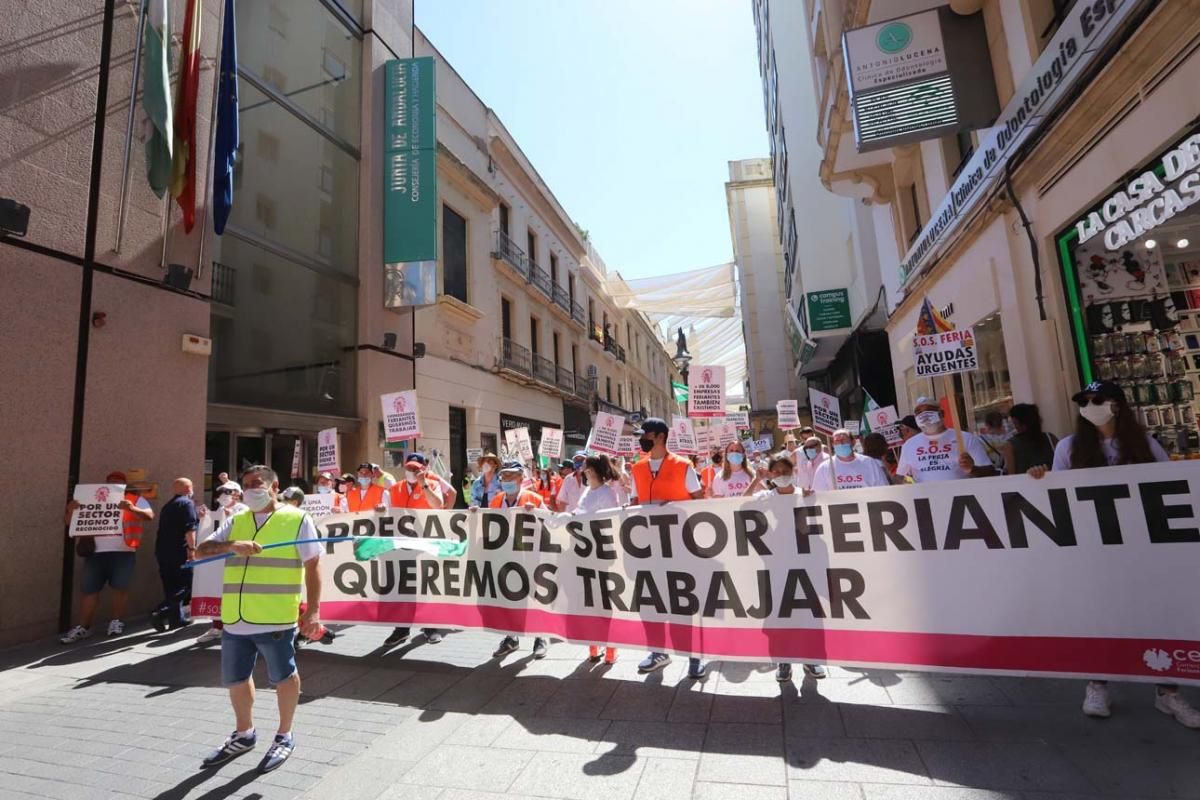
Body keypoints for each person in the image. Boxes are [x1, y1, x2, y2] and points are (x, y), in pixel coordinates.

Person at [1027, 381, 1199, 729]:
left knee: (1154, 613)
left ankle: (1166, 691)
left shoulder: (1144, 444)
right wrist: (1039, 477)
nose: (1090, 405)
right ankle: (1097, 684)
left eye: (1097, 400)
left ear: (1117, 405)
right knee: (1100, 614)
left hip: (1142, 547)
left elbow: (1170, 484)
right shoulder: (1069, 447)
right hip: (1095, 550)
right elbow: (1059, 496)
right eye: (1085, 401)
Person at [196, 465, 322, 774]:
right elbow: (201, 551)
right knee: (236, 679)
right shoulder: (237, 519)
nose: (251, 489)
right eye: (247, 484)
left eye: (257, 484)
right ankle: (244, 733)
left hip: (275, 618)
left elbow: (314, 565)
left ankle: (284, 735)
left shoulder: (297, 519)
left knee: (284, 677)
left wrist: (314, 610)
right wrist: (230, 546)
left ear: (274, 486)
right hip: (236, 619)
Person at [629, 418, 707, 679]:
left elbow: (700, 504)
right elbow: (633, 503)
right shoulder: (637, 468)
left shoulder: (683, 466)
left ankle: (695, 655)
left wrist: (673, 508)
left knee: (683, 601)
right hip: (647, 547)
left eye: (645, 435)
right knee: (650, 601)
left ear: (660, 437)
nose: (641, 439)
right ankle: (658, 651)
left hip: (679, 546)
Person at [749, 455, 828, 682]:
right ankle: (783, 660)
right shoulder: (766, 496)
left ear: (793, 471)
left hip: (805, 561)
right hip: (776, 563)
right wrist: (756, 479)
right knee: (780, 613)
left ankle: (811, 659)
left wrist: (811, 498)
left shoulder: (804, 494)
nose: (781, 475)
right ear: (770, 474)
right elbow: (740, 505)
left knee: (809, 613)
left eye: (785, 471)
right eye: (776, 472)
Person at [61, 471, 155, 642]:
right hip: (95, 552)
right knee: (90, 590)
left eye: (118, 483)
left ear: (124, 485)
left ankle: (116, 622)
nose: (114, 485)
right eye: (111, 482)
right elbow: (69, 523)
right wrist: (70, 509)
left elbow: (149, 516)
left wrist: (132, 508)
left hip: (124, 551)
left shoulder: (134, 499)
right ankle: (83, 626)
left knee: (120, 588)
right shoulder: (90, 499)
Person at [485, 461, 548, 659]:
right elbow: (488, 526)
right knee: (509, 597)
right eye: (504, 476)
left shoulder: (534, 499)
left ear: (522, 479)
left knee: (534, 598)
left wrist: (538, 514)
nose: (507, 480)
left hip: (530, 557)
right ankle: (511, 638)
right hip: (507, 558)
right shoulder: (496, 500)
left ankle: (541, 637)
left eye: (512, 476)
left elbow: (551, 524)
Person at [383, 453, 447, 648]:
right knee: (404, 586)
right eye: (409, 468)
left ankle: (430, 626)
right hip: (402, 544)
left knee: (426, 584)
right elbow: (387, 514)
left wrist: (423, 483)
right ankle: (401, 628)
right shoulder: (394, 488)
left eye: (415, 469)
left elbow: (438, 504)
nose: (411, 472)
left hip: (425, 543)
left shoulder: (432, 485)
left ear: (424, 468)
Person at [575, 454, 624, 665]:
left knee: (604, 600)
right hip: (584, 552)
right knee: (589, 600)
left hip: (602, 553)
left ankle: (611, 646)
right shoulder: (586, 491)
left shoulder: (607, 492)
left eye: (586, 468)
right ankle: (593, 644)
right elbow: (578, 513)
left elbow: (611, 521)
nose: (584, 472)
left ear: (594, 471)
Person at [196, 482, 249, 645]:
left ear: (237, 493)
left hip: (234, 558)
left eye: (228, 491)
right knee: (216, 589)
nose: (222, 495)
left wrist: (229, 515)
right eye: (220, 492)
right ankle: (217, 626)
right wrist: (204, 518)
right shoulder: (218, 510)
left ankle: (234, 626)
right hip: (217, 558)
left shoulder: (243, 510)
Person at [896, 397, 995, 483]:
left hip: (960, 499)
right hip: (926, 502)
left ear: (942, 413)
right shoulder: (909, 445)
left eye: (929, 410)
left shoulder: (965, 438)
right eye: (919, 412)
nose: (924, 415)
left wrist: (972, 469)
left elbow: (990, 473)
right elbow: (900, 477)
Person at [151, 478, 200, 633]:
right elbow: (190, 529)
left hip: (163, 551)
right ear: (188, 488)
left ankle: (175, 619)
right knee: (186, 584)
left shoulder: (168, 505)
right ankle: (162, 611)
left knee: (170, 585)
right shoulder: (187, 504)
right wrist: (192, 549)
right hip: (180, 551)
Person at [812, 430, 892, 492]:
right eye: (837, 441)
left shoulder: (869, 463)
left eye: (843, 440)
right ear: (833, 445)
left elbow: (884, 490)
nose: (841, 443)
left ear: (853, 442)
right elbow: (818, 495)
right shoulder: (824, 467)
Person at [1003, 403, 1058, 475]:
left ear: (1020, 423)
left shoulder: (1010, 445)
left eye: (1015, 423)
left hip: (1024, 485)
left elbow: (1012, 475)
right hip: (1053, 484)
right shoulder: (1050, 438)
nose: (1015, 426)